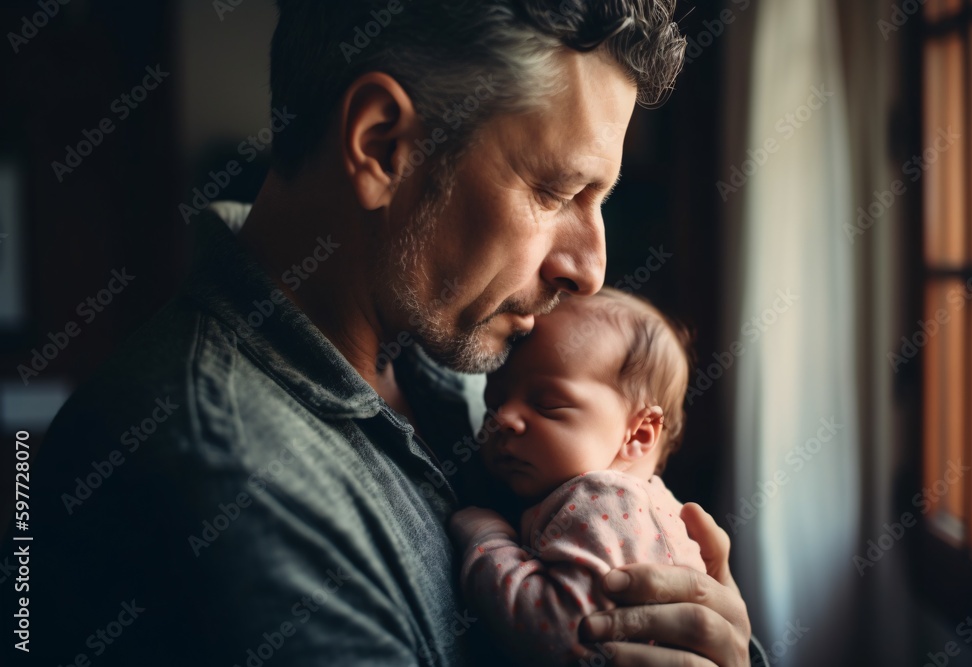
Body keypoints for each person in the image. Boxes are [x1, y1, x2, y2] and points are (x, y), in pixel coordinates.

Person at [20, 1, 764, 666]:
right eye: (555, 190)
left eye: (600, 199)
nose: (592, 268)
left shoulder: (456, 354)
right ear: (381, 146)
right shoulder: (232, 477)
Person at [451, 288, 708, 666]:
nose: (502, 419)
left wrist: (487, 539)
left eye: (547, 404)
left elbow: (563, 634)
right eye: (493, 403)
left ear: (638, 434)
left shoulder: (607, 501)